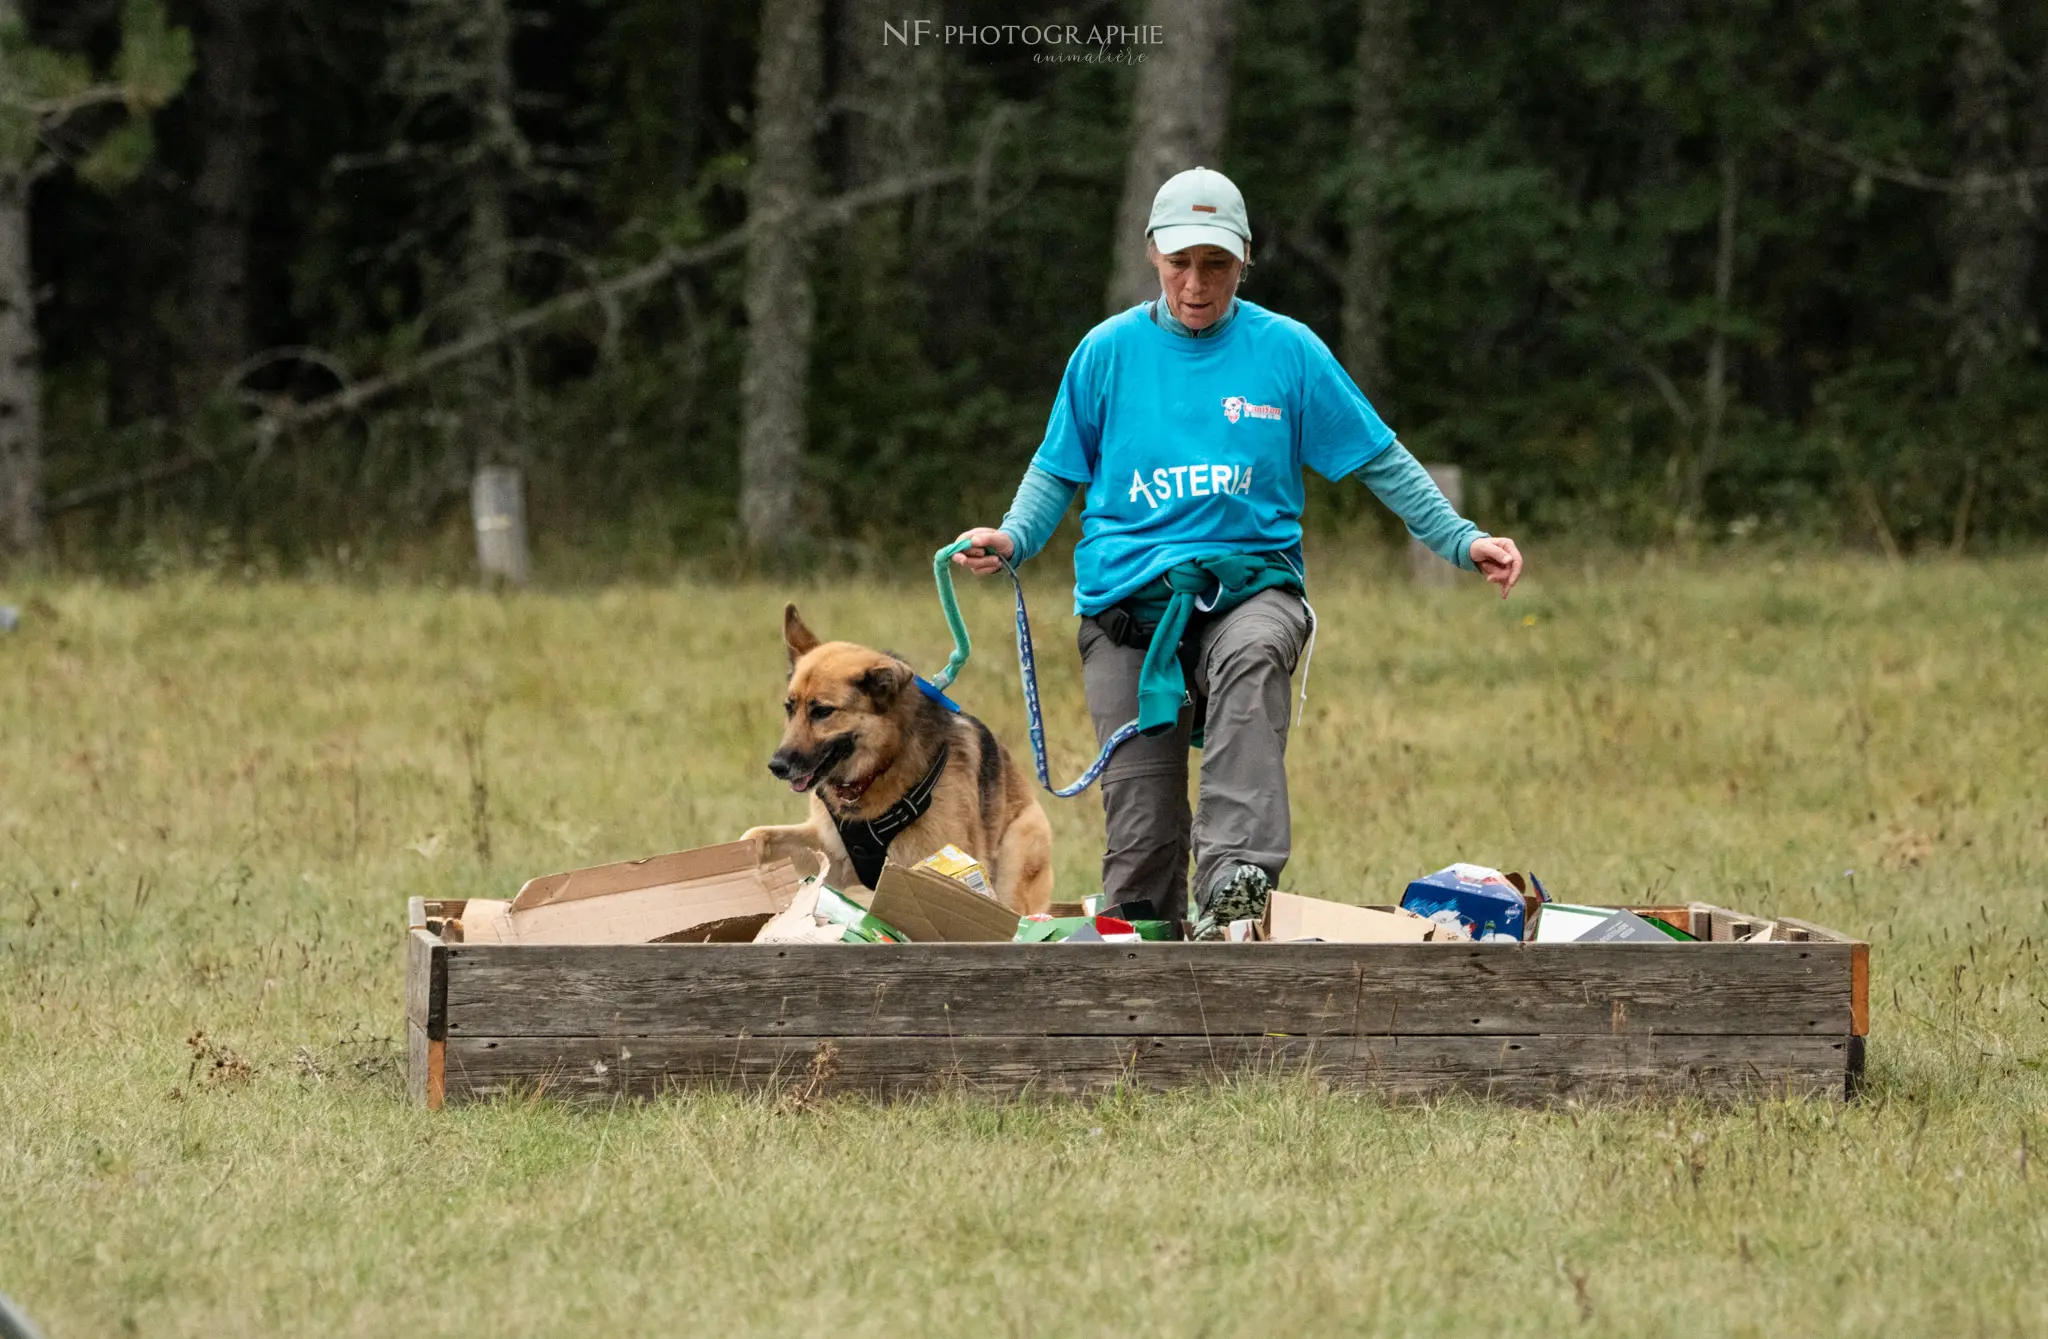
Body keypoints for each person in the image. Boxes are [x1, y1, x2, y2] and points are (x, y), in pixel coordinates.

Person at [953, 166, 1523, 939]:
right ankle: (1147, 972)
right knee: (1144, 838)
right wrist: (1012, 534)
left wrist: (1462, 539)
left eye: (1215, 264)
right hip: (1128, 608)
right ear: (1153, 253)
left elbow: (1379, 457)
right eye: (1181, 262)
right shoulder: (1106, 352)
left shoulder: (1286, 351)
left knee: (1254, 652)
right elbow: (1057, 469)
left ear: (1244, 259)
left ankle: (1234, 892)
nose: (1196, 282)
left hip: (1250, 588)